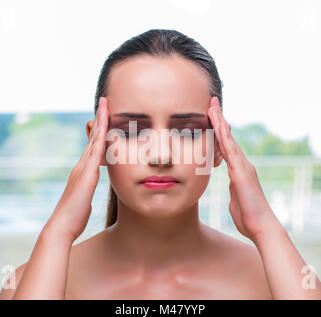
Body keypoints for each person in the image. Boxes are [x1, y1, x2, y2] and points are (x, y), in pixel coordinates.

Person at [1, 29, 320, 300]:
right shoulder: (31, 283)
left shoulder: (278, 281)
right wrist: (58, 231)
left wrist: (267, 227)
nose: (161, 155)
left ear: (220, 146)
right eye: (131, 130)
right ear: (96, 142)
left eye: (188, 131)